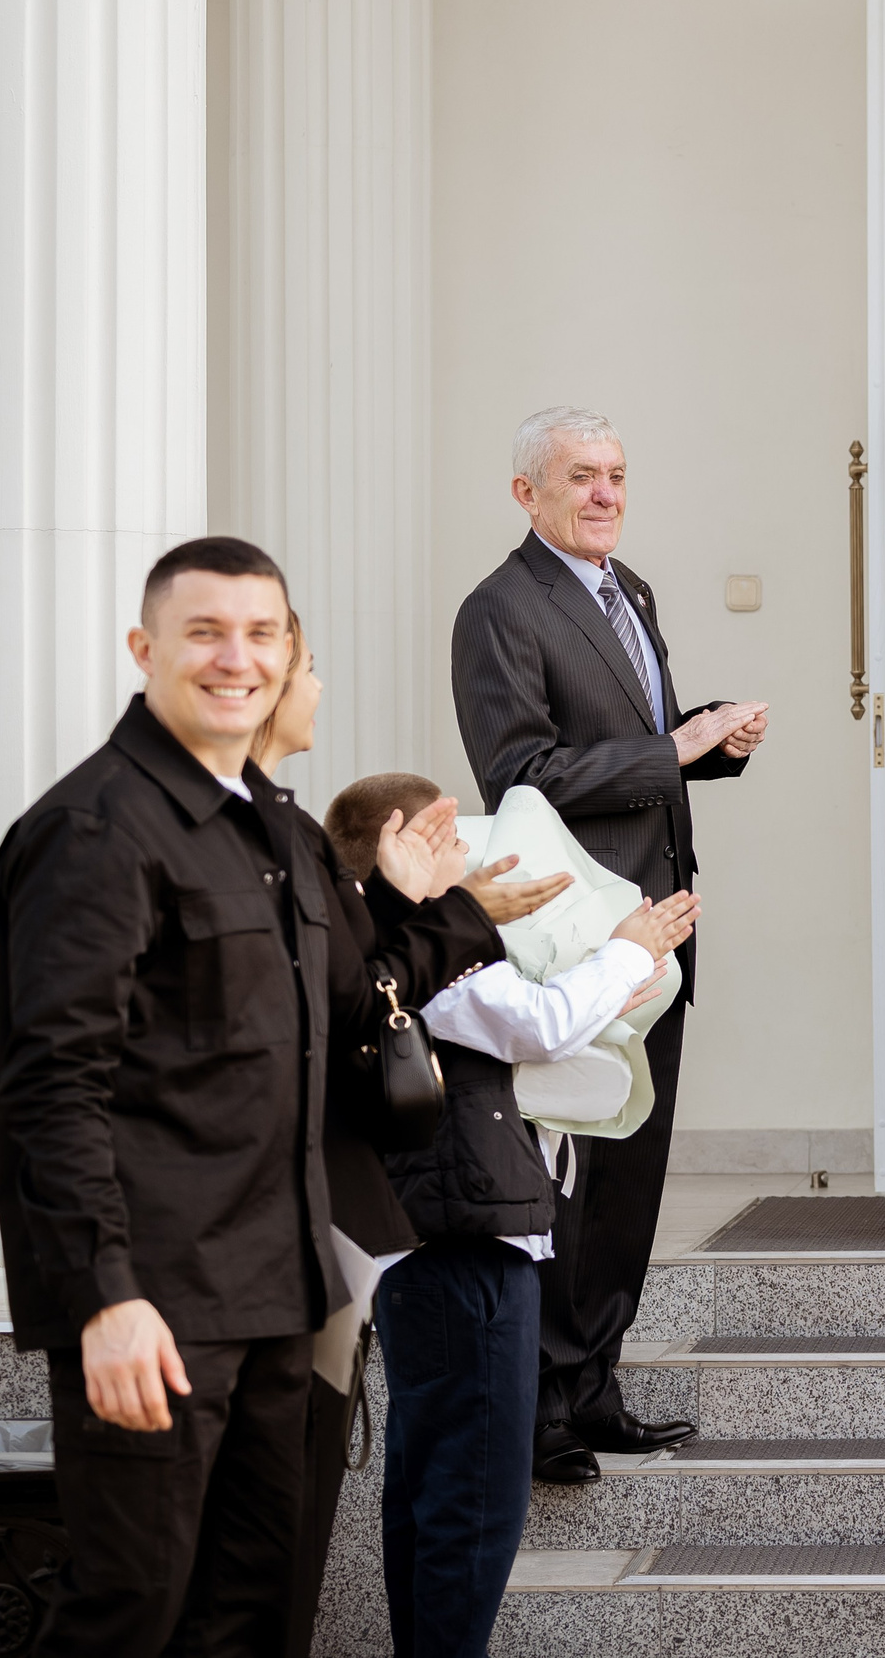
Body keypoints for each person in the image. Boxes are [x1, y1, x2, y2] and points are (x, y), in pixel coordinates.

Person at [0, 538, 469, 1656]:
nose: (235, 658)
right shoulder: (95, 831)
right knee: (131, 1609)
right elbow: (52, 1089)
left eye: (262, 634)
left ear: (288, 647)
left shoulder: (279, 834)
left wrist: (437, 912)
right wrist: (104, 1297)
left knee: (250, 1611)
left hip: (278, 1294)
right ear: (144, 647)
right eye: (204, 632)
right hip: (154, 1305)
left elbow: (350, 1020)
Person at [451, 405, 766, 1484]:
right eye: (580, 475)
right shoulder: (498, 609)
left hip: (659, 925)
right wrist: (670, 745)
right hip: (577, 934)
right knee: (572, 1177)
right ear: (524, 492)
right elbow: (520, 775)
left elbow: (644, 752)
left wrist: (708, 741)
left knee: (632, 1170)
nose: (604, 494)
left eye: (617, 475)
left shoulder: (629, 593)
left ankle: (596, 1385)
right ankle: (540, 1410)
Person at [250, 617, 569, 1658]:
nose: (319, 682)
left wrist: (428, 905)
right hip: (437, 1230)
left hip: (401, 1226)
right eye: (307, 666)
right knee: (465, 1496)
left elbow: (362, 986)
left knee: (445, 1485)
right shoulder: (275, 846)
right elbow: (391, 1004)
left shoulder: (289, 839)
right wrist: (437, 906)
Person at [326, 772, 688, 1658]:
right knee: (473, 1497)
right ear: (410, 839)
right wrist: (630, 951)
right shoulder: (423, 944)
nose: (474, 849)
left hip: (446, 1233)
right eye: (454, 833)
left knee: (433, 1484)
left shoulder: (400, 943)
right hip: (462, 1245)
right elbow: (538, 1024)